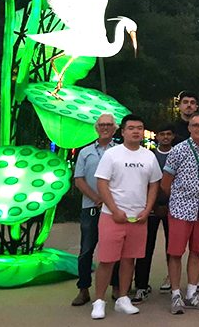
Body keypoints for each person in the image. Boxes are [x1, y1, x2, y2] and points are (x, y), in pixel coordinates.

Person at [90, 115, 162, 320]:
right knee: (107, 260)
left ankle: (123, 298)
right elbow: (102, 184)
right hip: (112, 216)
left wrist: (147, 210)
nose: (136, 131)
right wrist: (114, 210)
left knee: (129, 259)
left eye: (139, 128)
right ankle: (99, 301)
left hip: (138, 217)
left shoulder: (149, 156)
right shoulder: (112, 154)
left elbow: (154, 185)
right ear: (122, 132)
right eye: (131, 128)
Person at [161, 112, 199, 315]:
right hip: (180, 208)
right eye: (196, 125)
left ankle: (192, 293)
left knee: (197, 251)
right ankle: (176, 294)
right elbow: (166, 181)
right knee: (175, 252)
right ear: (189, 128)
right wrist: (169, 203)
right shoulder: (178, 150)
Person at [72, 114, 120, 307]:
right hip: (91, 207)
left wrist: (109, 201)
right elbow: (79, 180)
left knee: (116, 249)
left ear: (115, 129)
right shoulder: (85, 152)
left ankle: (116, 287)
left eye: (109, 124)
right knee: (86, 250)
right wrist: (96, 199)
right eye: (102, 125)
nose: (105, 128)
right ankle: (83, 290)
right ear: (96, 128)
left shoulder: (121, 151)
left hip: (115, 208)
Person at [130, 125, 174, 305]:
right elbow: (146, 182)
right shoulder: (150, 156)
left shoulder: (178, 154)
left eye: (168, 133)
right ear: (157, 137)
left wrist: (168, 204)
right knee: (145, 248)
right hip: (151, 208)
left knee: (173, 248)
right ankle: (141, 285)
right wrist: (155, 205)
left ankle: (174, 282)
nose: (165, 137)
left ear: (172, 136)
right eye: (162, 134)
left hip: (173, 207)